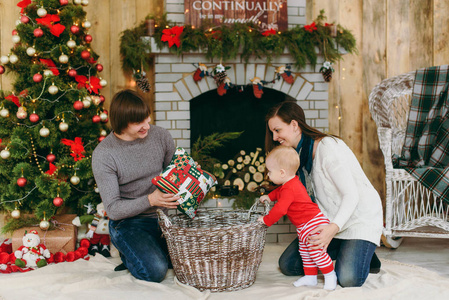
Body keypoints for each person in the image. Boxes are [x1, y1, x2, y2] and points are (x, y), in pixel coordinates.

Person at [265, 101, 383, 287]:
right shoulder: (297, 158)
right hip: (327, 219)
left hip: (357, 218)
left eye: (278, 130)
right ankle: (353, 251)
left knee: (348, 278)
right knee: (288, 265)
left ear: (294, 125)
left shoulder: (328, 148)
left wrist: (331, 230)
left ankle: (362, 247)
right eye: (272, 132)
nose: (274, 137)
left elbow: (351, 195)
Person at [92, 89, 179, 282]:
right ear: (122, 122)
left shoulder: (161, 136)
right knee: (155, 271)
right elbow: (113, 210)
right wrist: (151, 199)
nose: (147, 126)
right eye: (139, 122)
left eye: (147, 118)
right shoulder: (104, 154)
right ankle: (130, 251)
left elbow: (173, 174)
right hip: (129, 222)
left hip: (163, 218)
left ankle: (147, 249)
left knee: (192, 258)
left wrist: (188, 171)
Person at [258, 145, 337, 290]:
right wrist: (269, 197)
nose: (268, 175)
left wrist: (266, 220)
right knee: (305, 252)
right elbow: (278, 193)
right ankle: (311, 277)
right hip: (303, 226)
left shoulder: (290, 188)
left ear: (282, 173)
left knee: (315, 251)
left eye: (269, 171)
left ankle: (330, 275)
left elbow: (281, 209)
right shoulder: (288, 184)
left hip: (313, 223)